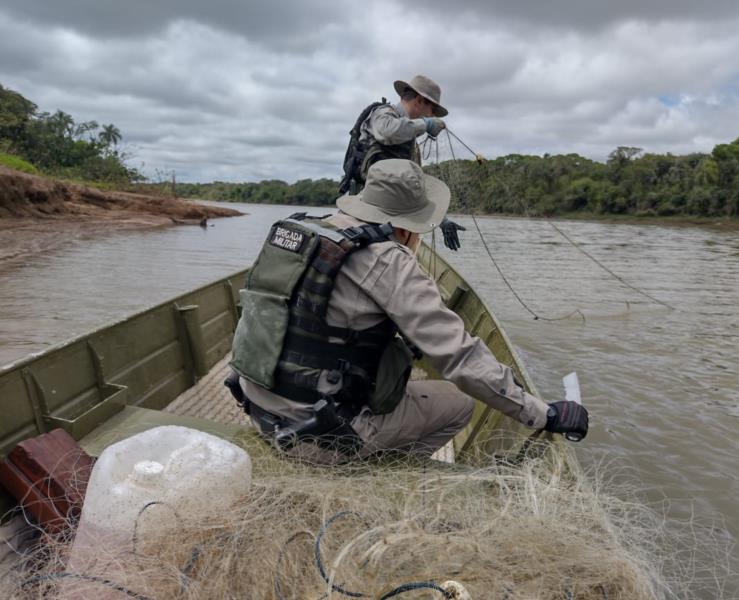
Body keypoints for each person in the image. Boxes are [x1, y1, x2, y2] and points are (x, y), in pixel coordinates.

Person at [229, 159, 588, 463]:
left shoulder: (302, 232)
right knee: (460, 403)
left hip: (259, 407)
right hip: (319, 437)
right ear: (408, 226)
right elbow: (460, 357)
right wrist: (545, 414)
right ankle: (378, 471)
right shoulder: (389, 260)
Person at [339, 74, 466, 251]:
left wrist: (441, 220)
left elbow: (413, 186)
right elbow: (388, 131)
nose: (432, 116)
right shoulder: (383, 114)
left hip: (391, 216)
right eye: (432, 111)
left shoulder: (409, 141)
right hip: (362, 211)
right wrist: (426, 125)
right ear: (419, 100)